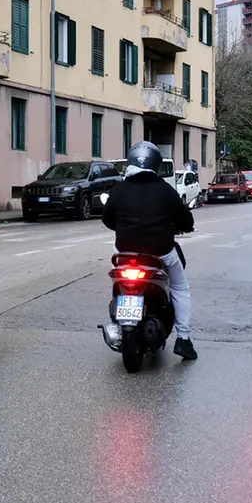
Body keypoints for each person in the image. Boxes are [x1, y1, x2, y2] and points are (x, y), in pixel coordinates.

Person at [102, 141, 198, 360]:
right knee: (180, 287)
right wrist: (183, 227)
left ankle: (119, 318)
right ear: (155, 164)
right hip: (160, 253)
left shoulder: (119, 189)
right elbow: (186, 220)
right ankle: (183, 339)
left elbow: (107, 220)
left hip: (124, 254)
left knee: (118, 280)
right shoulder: (166, 190)